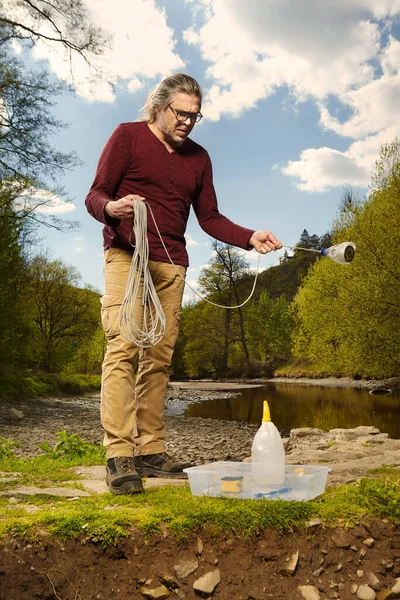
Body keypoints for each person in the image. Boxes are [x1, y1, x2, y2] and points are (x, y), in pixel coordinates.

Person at [85, 73, 282, 495]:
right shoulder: (128, 137)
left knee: (158, 358)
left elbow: (209, 217)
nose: (189, 123)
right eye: (182, 113)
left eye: (196, 116)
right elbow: (95, 194)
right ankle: (119, 455)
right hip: (126, 256)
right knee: (123, 348)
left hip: (172, 265)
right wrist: (113, 207)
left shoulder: (200, 158)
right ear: (159, 108)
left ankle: (151, 450)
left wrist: (249, 236)